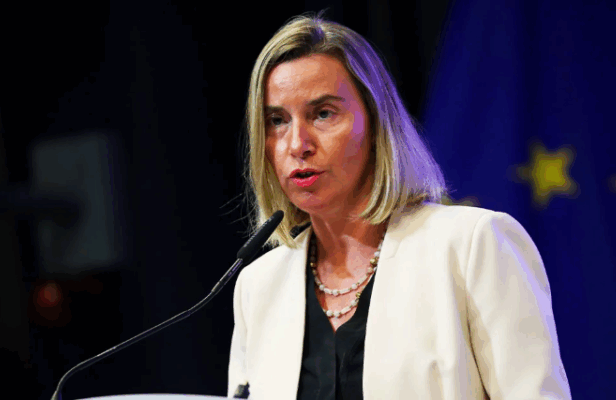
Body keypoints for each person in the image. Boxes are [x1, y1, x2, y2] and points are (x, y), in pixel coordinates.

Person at [228, 10, 572, 400]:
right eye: (277, 120)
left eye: (322, 114)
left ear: (377, 125)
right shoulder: (258, 286)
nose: (297, 144)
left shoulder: (472, 245)